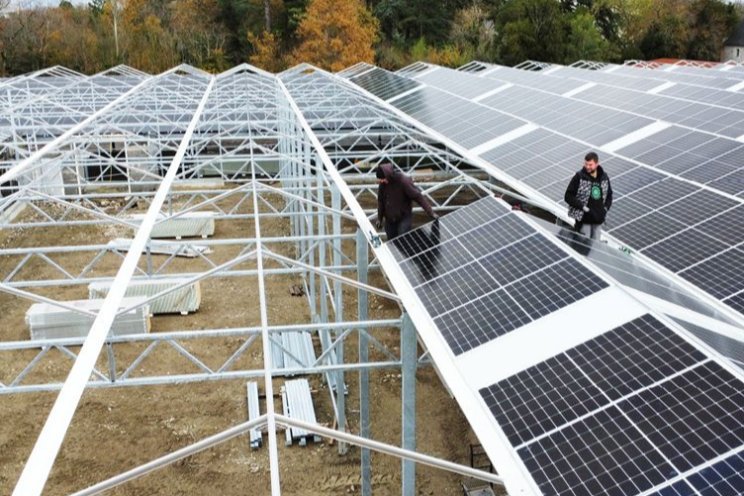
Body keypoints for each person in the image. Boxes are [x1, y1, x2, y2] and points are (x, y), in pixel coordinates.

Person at [375, 163, 438, 240]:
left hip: (403, 217)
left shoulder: (403, 181)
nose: (381, 181)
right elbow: (380, 201)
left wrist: (430, 212)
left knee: (403, 239)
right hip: (390, 219)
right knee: (392, 242)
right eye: (380, 179)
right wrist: (379, 219)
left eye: (383, 178)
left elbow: (418, 197)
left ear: (388, 175)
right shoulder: (383, 184)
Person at [564, 152, 612, 240]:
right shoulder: (579, 177)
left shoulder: (604, 177)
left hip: (598, 220)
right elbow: (568, 196)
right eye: (586, 164)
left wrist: (605, 209)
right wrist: (583, 207)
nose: (587, 167)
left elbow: (609, 195)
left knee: (595, 246)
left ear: (597, 164)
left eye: (590, 165)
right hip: (584, 219)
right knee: (583, 245)